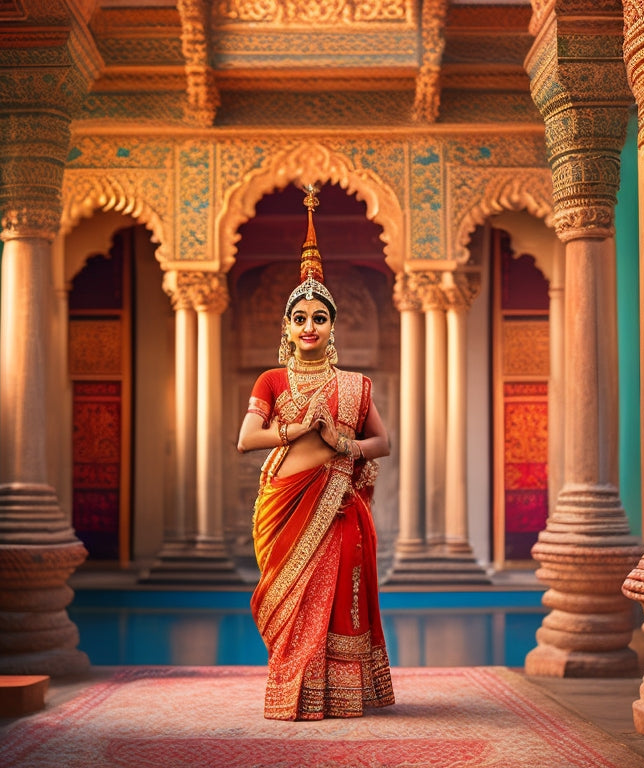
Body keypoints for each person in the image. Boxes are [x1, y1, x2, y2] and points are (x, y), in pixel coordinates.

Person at [237, 185, 395, 721]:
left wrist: (340, 444)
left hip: (339, 508)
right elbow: (246, 439)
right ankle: (292, 691)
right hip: (283, 506)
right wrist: (296, 428)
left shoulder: (356, 385)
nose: (309, 326)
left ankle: (339, 695)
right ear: (287, 327)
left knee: (335, 605)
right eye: (299, 318)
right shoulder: (272, 379)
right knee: (289, 601)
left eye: (318, 318)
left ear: (332, 326)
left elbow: (383, 444)